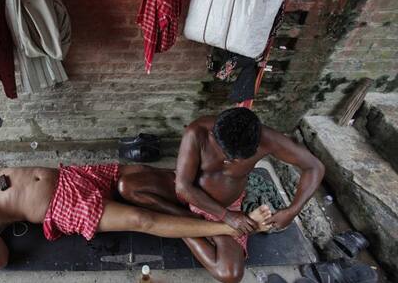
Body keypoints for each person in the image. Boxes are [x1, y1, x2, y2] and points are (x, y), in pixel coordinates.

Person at [0, 152, 272, 269]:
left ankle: (212, 195)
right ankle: (228, 228)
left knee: (149, 178)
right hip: (64, 206)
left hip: (74, 175)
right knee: (141, 219)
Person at [118, 108, 325, 283]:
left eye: (236, 159)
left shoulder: (268, 139)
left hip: (226, 207)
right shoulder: (198, 131)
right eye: (226, 155)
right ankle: (188, 221)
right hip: (187, 194)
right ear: (214, 135)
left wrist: (292, 210)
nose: (228, 162)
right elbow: (182, 187)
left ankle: (181, 226)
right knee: (126, 186)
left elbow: (315, 167)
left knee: (230, 274)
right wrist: (226, 217)